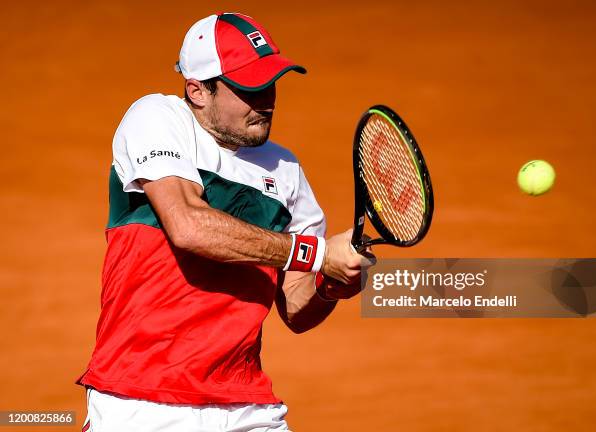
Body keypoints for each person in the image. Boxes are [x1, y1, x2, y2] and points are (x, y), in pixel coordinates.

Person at [76, 12, 375, 432]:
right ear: (197, 90)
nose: (266, 99)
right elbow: (189, 227)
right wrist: (319, 254)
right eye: (248, 88)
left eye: (270, 83)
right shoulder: (158, 119)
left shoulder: (286, 171)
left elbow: (296, 307)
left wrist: (332, 285)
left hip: (247, 407)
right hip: (140, 400)